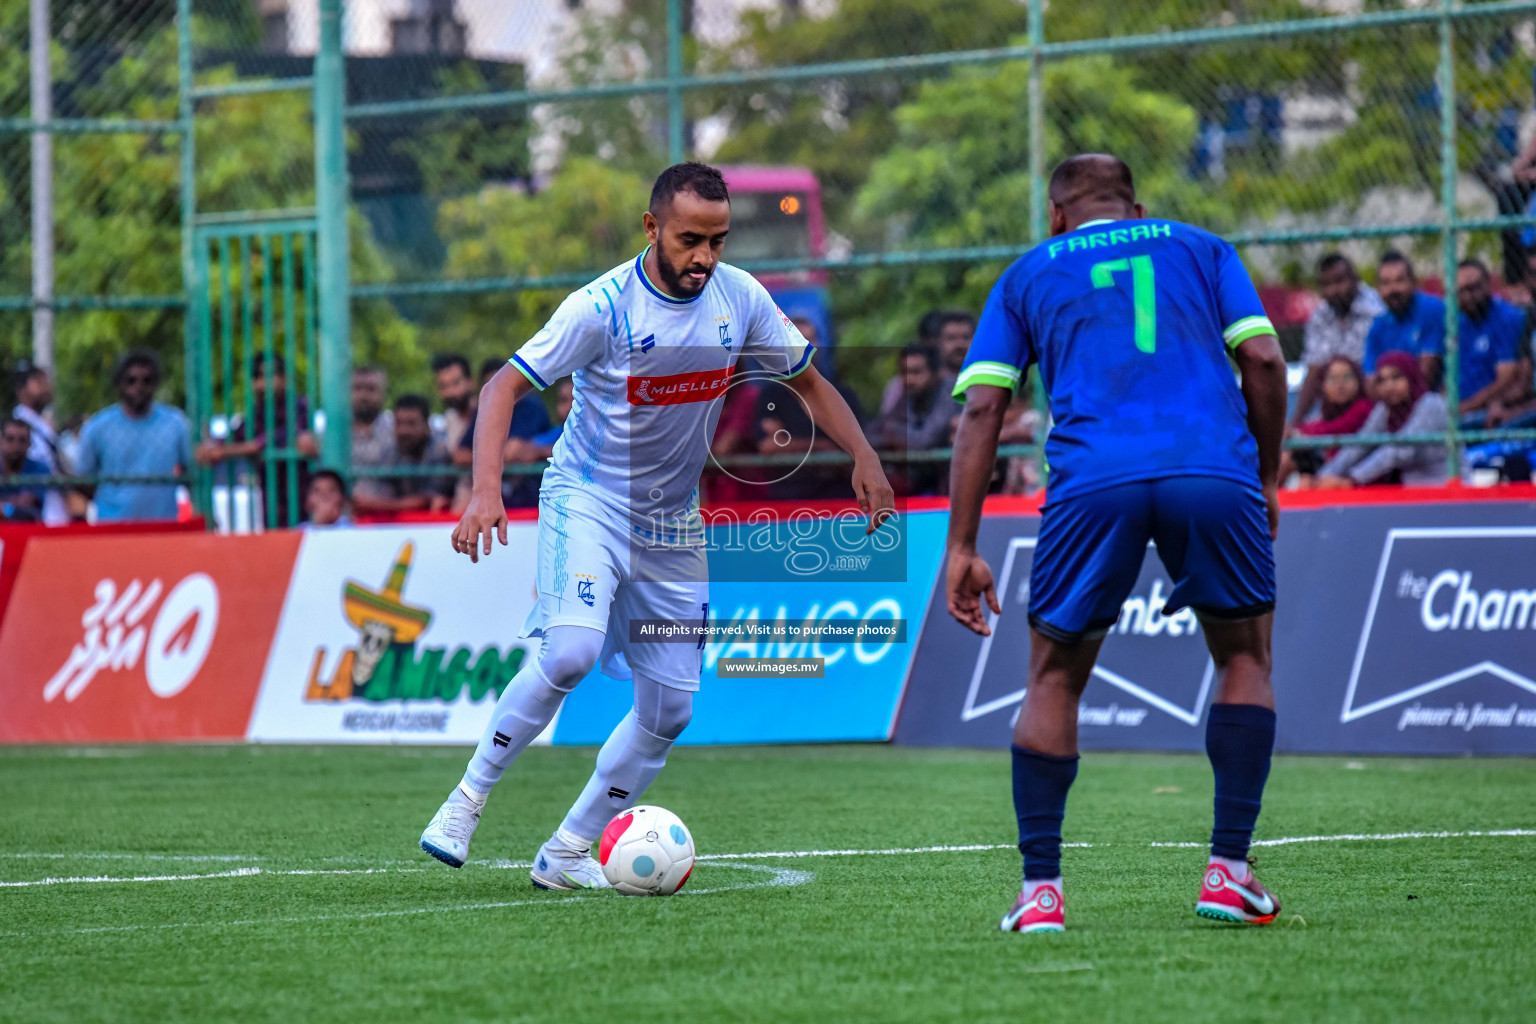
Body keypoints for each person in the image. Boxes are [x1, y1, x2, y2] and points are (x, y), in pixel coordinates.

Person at [419, 161, 894, 889]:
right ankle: (467, 798)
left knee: (671, 709)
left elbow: (806, 382)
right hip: (590, 500)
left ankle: (569, 850)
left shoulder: (741, 299)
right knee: (572, 652)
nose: (704, 256)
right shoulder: (602, 307)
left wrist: (864, 455)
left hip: (672, 522)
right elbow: (503, 386)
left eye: (718, 240)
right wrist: (486, 491)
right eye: (689, 239)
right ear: (652, 229)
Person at [946, 154, 1289, 933]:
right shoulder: (1203, 248)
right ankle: (1229, 872)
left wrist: (961, 543)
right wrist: (1264, 475)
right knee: (1243, 657)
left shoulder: (1028, 272)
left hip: (1092, 478)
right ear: (1134, 208)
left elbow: (982, 410)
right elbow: (1264, 359)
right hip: (1211, 467)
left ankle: (1041, 896)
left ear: (1057, 213)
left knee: (1054, 677)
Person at [74, 350, 193, 522]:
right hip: (113, 528)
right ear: (119, 384)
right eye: (131, 381)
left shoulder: (176, 424)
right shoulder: (97, 427)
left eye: (147, 381)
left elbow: (192, 472)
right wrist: (111, 500)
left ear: (155, 384)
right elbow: (82, 478)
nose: (139, 387)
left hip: (163, 527)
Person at [195, 353, 310, 527]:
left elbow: (269, 442)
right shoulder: (259, 412)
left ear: (285, 379)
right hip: (271, 505)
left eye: (270, 376)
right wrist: (212, 447)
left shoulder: (300, 406)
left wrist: (224, 451)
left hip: (303, 501)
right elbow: (236, 437)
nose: (263, 384)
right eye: (258, 377)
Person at [1312, 351, 1449, 488]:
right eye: (1382, 380)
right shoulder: (1385, 409)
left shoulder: (1431, 404)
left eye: (1396, 377)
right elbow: (1360, 444)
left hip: (1445, 488)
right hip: (1408, 491)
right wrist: (1320, 479)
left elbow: (1400, 451)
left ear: (1411, 376)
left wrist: (1352, 480)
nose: (1389, 386)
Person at [1289, 253, 1384, 429]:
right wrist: (1296, 423)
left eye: (1340, 281)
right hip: (1333, 406)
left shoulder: (1377, 311)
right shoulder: (1319, 316)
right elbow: (1314, 369)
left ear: (1355, 279)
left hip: (1371, 403)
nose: (1334, 290)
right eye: (1327, 285)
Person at [453, 356, 551, 509]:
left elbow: (516, 449)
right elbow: (460, 454)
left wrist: (490, 456)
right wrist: (497, 457)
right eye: (492, 388)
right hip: (496, 490)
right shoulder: (484, 410)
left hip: (532, 491)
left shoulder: (532, 407)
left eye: (501, 386)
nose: (497, 394)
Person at [866, 345, 962, 496]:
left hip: (951, 483)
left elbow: (926, 442)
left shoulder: (949, 391)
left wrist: (892, 434)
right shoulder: (908, 396)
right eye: (904, 373)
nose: (909, 379)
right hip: (923, 483)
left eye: (916, 372)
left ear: (935, 374)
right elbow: (870, 435)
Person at [1451, 259, 1525, 428]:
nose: (1468, 296)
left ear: (1488, 284)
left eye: (1473, 288)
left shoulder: (1507, 317)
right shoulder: (1456, 322)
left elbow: (1506, 378)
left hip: (1487, 408)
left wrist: (1466, 407)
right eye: (1460, 291)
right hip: (1457, 407)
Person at [352, 394, 455, 515]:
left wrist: (375, 505)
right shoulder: (391, 452)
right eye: (399, 423)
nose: (403, 431)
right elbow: (383, 491)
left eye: (411, 423)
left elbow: (428, 501)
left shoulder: (439, 451)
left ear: (426, 425)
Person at [1278, 356, 1373, 486]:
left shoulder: (1365, 407)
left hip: (1352, 472)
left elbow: (1338, 428)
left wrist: (1298, 432)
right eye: (1333, 378)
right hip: (1326, 469)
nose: (1340, 384)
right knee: (1287, 457)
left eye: (1347, 377)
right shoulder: (1324, 411)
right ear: (1323, 385)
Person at [1361, 251, 1446, 386]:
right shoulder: (1378, 325)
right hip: (1392, 400)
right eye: (1385, 283)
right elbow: (1370, 380)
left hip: (1431, 397)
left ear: (1414, 282)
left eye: (1399, 280)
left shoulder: (1431, 309)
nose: (1392, 289)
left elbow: (1425, 376)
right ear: (1378, 289)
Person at [879, 310, 976, 415]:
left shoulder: (983, 381)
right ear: (936, 342)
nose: (960, 344)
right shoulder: (908, 384)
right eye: (951, 338)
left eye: (966, 337)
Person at [10, 360, 68, 524]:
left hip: (56, 511)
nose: (46, 387)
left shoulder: (41, 425)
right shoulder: (18, 429)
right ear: (21, 390)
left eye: (46, 381)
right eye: (38, 382)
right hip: (35, 514)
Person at [0, 417, 49, 522]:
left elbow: (29, 502)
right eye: (10, 439)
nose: (16, 446)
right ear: (1, 441)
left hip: (29, 531)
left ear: (29, 444)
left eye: (22, 440)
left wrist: (5, 508)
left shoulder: (40, 469)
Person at [350, 367, 395, 468]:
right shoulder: (333, 432)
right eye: (357, 388)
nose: (363, 395)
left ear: (383, 393)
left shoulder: (395, 429)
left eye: (371, 389)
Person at [432, 353, 476, 451]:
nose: (450, 392)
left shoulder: (487, 413)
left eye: (456, 383)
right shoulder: (444, 424)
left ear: (470, 382)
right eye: (443, 386)